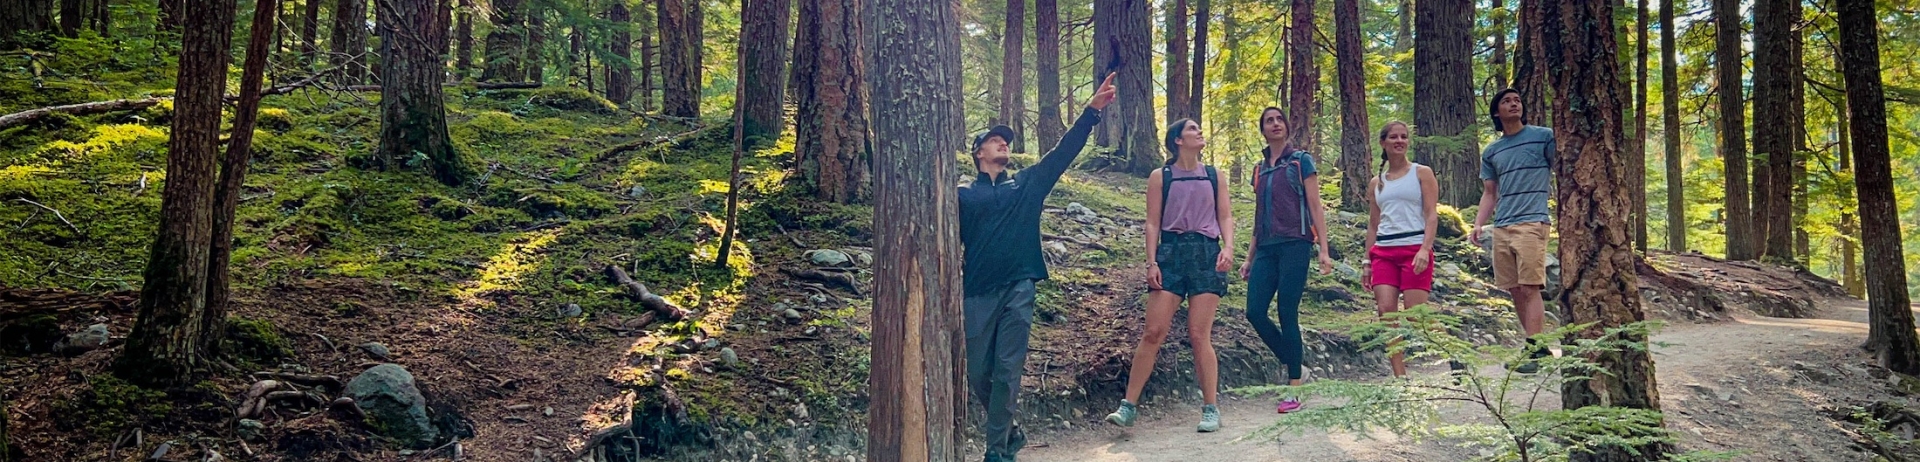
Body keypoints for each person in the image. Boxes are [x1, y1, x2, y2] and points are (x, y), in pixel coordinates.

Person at [958, 73, 1116, 462]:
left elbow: (1061, 154)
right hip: (977, 290)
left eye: (1007, 141)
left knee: (1008, 370)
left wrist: (1090, 114)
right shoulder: (961, 194)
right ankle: (1010, 433)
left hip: (1019, 286)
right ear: (979, 151)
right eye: (996, 140)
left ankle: (996, 452)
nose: (1004, 143)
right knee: (978, 372)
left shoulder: (1026, 184)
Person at [1104, 118, 1234, 432]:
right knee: (1154, 331)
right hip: (1171, 254)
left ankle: (1210, 408)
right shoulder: (1160, 176)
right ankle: (1128, 406)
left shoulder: (1215, 176)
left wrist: (1229, 247)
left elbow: (1225, 215)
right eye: (1192, 129)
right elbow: (1152, 222)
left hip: (1206, 254)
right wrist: (1151, 262)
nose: (1199, 132)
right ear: (1177, 139)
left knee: (1199, 335)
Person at [1240, 107, 1334, 413]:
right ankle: (1297, 364)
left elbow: (1315, 205)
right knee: (1254, 310)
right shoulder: (1259, 169)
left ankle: (1294, 387)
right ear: (1263, 130)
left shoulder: (1301, 160)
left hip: (1296, 243)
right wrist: (1249, 257)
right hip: (1266, 247)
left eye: (1280, 119)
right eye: (1269, 121)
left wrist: (1323, 248)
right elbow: (1258, 215)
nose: (1275, 124)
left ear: (1286, 126)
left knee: (1286, 310)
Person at [1469, 88, 1557, 373]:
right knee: (1515, 289)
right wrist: (1479, 223)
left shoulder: (1544, 136)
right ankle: (1536, 346)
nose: (1513, 104)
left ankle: (1535, 348)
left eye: (1517, 100)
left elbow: (1563, 169)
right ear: (1497, 112)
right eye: (1506, 101)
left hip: (1533, 221)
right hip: (1503, 225)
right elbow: (1489, 193)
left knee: (1531, 286)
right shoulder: (1492, 151)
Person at [1363, 121, 1438, 378]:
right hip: (1383, 252)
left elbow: (1431, 214)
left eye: (1404, 137)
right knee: (1386, 311)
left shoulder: (1421, 173)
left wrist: (1424, 250)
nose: (1399, 141)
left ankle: (1454, 353)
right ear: (1383, 143)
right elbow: (1373, 225)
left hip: (1414, 249)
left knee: (1416, 315)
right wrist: (1366, 263)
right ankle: (1400, 376)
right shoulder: (1377, 182)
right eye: (1393, 137)